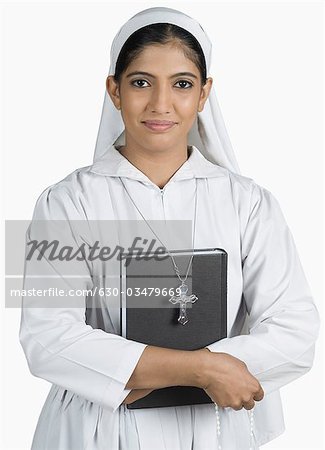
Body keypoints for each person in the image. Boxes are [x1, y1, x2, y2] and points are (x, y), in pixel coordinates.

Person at [19, 6, 320, 450]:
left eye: (182, 84)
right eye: (141, 82)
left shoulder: (250, 202)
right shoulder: (64, 201)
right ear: (114, 91)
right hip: (99, 432)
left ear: (204, 94)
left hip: (216, 427)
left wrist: (164, 371)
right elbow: (44, 337)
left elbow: (296, 329)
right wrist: (202, 370)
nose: (161, 104)